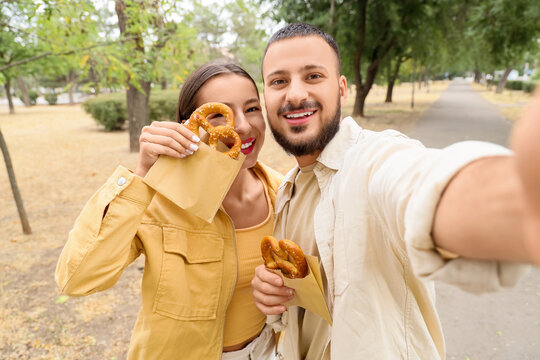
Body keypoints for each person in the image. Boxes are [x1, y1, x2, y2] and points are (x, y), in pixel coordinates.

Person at [251, 23, 540, 359]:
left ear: (342, 89)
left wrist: (520, 202)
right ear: (267, 96)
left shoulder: (374, 160)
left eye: (313, 76)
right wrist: (273, 297)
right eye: (279, 81)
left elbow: (423, 185)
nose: (295, 94)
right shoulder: (286, 192)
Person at [55, 61, 283, 360]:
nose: (242, 125)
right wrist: (141, 175)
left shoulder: (283, 193)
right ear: (192, 127)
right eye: (218, 114)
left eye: (252, 108)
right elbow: (77, 279)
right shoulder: (157, 200)